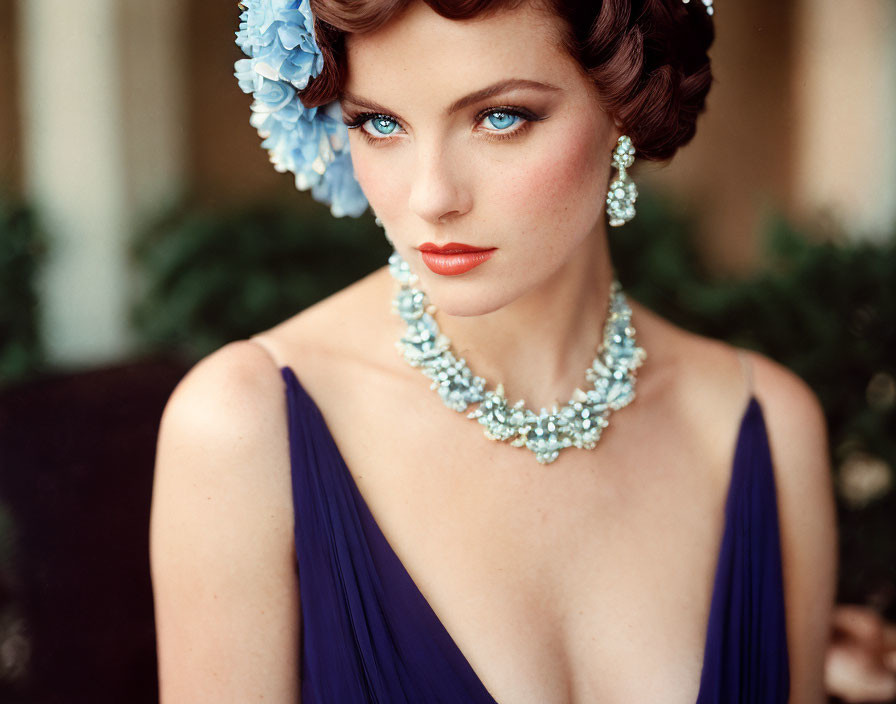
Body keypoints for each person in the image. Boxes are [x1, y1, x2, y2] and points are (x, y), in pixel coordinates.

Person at [149, 0, 839, 702]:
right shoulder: (242, 424)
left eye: (499, 117)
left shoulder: (766, 426)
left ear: (624, 108)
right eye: (380, 123)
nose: (432, 196)